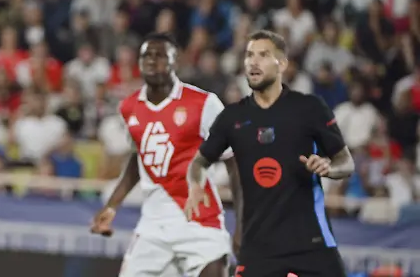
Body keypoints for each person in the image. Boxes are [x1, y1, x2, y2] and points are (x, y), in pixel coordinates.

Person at [186, 30, 353, 277]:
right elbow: (200, 161)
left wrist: (329, 168)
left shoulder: (310, 108)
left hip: (311, 243)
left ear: (282, 64)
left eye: (263, 55)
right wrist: (195, 184)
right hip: (258, 247)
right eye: (249, 55)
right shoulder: (232, 118)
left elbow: (346, 162)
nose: (253, 62)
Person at [91, 34, 240, 277]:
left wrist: (242, 226)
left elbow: (235, 165)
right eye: (147, 55)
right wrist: (111, 206)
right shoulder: (129, 107)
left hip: (200, 222)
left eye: (160, 55)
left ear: (175, 62)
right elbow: (139, 158)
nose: (152, 60)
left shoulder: (204, 104)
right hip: (154, 227)